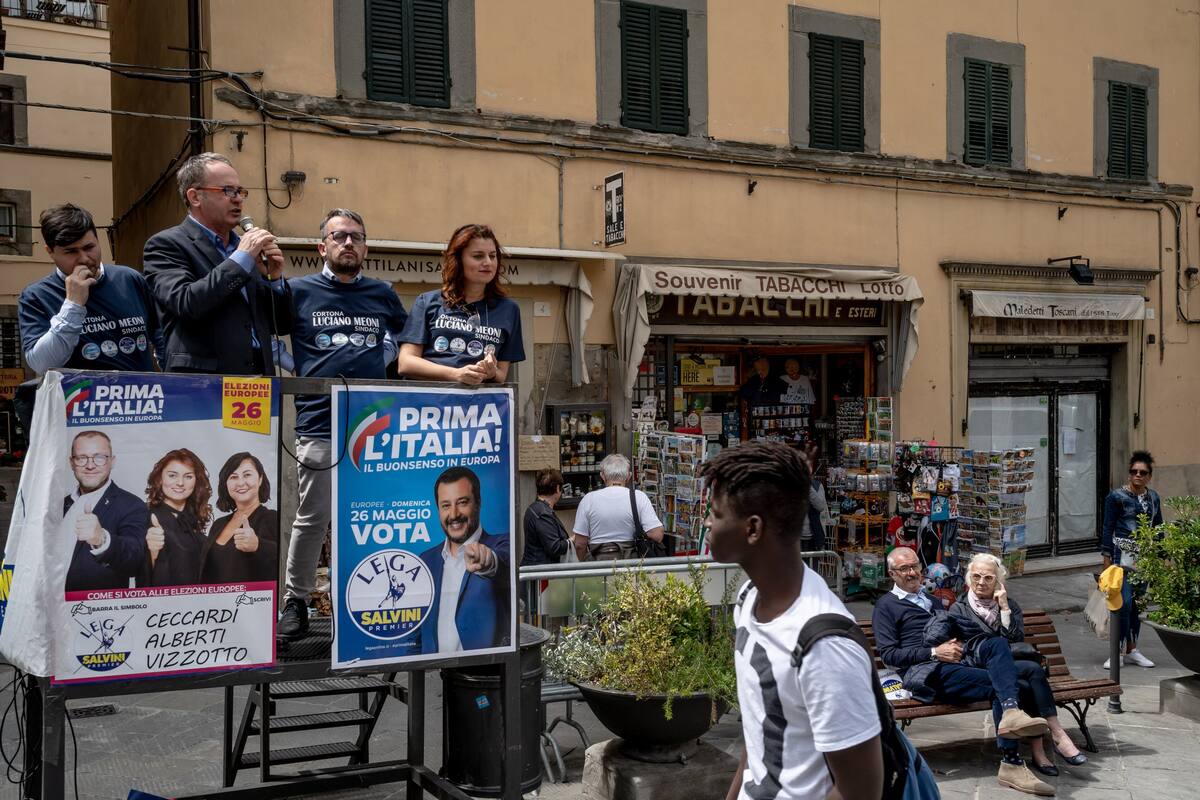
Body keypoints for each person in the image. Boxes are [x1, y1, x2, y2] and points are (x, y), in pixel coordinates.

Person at [699, 441, 882, 800]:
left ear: (753, 529)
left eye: (716, 514)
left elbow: (861, 792)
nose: (707, 522)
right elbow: (760, 734)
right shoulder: (747, 599)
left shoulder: (825, 647)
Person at [276, 209, 409, 640]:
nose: (348, 243)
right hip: (317, 424)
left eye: (356, 237)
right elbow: (262, 336)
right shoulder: (296, 291)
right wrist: (292, 370)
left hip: (374, 427)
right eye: (339, 237)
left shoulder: (382, 294)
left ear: (366, 247)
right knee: (311, 520)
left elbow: (405, 344)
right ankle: (295, 601)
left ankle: (359, 603)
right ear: (322, 247)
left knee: (368, 518)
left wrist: (384, 357)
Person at [873, 546, 1055, 796]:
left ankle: (1012, 715)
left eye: (915, 566)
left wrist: (998, 613)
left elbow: (964, 633)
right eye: (904, 569)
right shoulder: (886, 606)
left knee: (997, 644)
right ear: (892, 574)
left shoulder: (935, 600)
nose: (913, 572)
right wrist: (936, 652)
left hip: (958, 665)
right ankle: (1012, 762)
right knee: (1013, 686)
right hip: (926, 674)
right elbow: (889, 656)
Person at [143, 152, 294, 374]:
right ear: (195, 197)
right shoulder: (165, 245)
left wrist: (274, 279)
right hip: (203, 385)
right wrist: (240, 259)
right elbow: (187, 303)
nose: (238, 199)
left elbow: (281, 325)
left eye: (240, 191)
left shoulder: (247, 250)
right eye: (227, 191)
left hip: (258, 385)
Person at [947, 553, 1086, 777]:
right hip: (978, 667)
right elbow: (976, 645)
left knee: (1024, 682)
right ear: (968, 579)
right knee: (1031, 671)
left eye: (988, 578)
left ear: (999, 581)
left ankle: (1040, 749)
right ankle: (1055, 735)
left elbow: (1015, 639)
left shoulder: (1009, 605)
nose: (981, 582)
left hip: (1009, 667)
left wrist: (1003, 608)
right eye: (976, 576)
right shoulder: (958, 608)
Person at [19, 203, 164, 374]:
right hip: (78, 398)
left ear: (98, 240)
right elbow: (41, 363)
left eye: (89, 247)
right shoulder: (36, 296)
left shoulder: (129, 279)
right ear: (50, 252)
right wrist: (73, 305)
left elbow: (161, 334)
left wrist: (172, 379)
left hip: (140, 397)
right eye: (71, 252)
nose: (84, 259)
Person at [397, 223, 525, 385]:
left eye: (492, 256)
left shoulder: (509, 309)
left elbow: (501, 375)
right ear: (458, 260)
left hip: (478, 407)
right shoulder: (427, 301)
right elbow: (406, 363)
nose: (488, 262)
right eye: (478, 256)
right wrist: (456, 374)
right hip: (428, 404)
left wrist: (491, 372)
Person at [419, 466, 511, 653]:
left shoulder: (502, 543)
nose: (453, 514)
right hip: (433, 674)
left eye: (462, 502)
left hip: (482, 675)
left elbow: (501, 561)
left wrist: (487, 560)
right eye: (446, 505)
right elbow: (415, 629)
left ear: (478, 502)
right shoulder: (425, 561)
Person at [63, 431, 148, 592]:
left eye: (99, 458)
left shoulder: (132, 506)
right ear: (72, 463)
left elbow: (135, 560)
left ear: (112, 461)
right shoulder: (58, 506)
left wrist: (102, 539)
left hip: (98, 613)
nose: (90, 465)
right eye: (81, 458)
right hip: (53, 608)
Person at [1100, 449, 1162, 669]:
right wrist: (1106, 561)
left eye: (1142, 472)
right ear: (1129, 474)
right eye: (1134, 471)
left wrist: (1161, 557)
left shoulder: (1153, 497)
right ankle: (1116, 651)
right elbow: (1107, 528)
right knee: (1121, 603)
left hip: (1143, 561)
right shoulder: (1116, 497)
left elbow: (1158, 528)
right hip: (1119, 561)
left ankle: (1132, 650)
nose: (1138, 475)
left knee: (1136, 605)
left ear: (1149, 476)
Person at [200, 453, 279, 584]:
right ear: (226, 484)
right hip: (215, 603)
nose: (241, 482)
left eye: (247, 475)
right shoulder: (218, 524)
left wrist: (259, 545)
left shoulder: (273, 519)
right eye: (233, 477)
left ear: (260, 479)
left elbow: (290, 559)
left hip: (253, 602)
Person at [572, 454, 664, 561]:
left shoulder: (588, 499)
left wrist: (584, 564)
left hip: (598, 564)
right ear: (628, 477)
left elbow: (579, 544)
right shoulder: (639, 497)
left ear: (602, 476)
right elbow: (657, 534)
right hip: (630, 565)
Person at [143, 448, 212, 587]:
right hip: (164, 605)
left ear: (196, 481)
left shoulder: (192, 520)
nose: (180, 483)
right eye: (172, 475)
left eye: (188, 476)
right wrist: (151, 551)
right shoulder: (146, 517)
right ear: (160, 478)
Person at [521, 468, 571, 566]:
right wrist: (572, 540)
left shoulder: (535, 508)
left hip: (536, 569)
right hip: (540, 572)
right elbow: (555, 548)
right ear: (557, 488)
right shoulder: (543, 513)